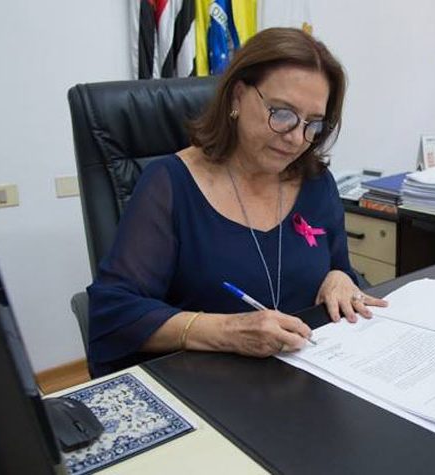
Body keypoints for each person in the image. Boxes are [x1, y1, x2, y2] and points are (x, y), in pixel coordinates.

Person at [87, 27, 387, 377]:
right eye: (282, 113)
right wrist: (229, 331)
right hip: (211, 386)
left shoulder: (316, 181)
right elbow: (114, 314)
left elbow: (338, 266)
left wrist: (340, 278)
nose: (296, 138)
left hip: (311, 374)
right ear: (237, 97)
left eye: (313, 124)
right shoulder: (168, 183)